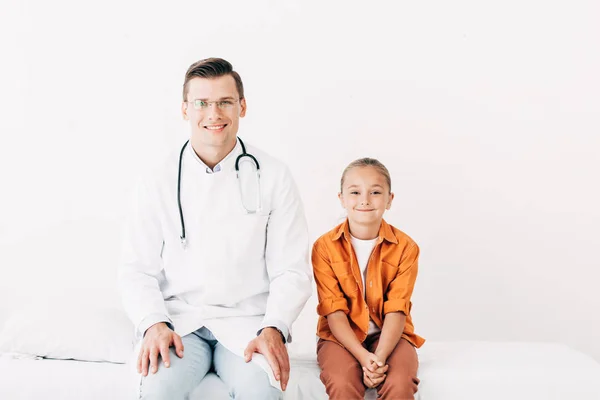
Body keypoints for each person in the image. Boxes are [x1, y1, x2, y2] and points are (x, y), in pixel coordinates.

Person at [118, 57, 312, 399]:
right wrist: (153, 323)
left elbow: (291, 269)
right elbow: (137, 269)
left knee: (263, 393)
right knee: (157, 391)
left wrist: (275, 327)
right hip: (179, 324)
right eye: (202, 103)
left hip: (247, 325)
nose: (214, 114)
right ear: (184, 109)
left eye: (224, 102)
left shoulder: (274, 175)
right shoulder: (156, 180)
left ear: (242, 106)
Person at [311, 158, 426, 400]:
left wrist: (379, 357)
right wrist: (364, 358)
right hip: (340, 338)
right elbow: (334, 312)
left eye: (375, 192)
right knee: (342, 383)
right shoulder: (324, 247)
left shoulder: (406, 247)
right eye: (355, 192)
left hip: (392, 335)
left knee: (399, 382)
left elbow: (397, 309)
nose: (364, 200)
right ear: (341, 198)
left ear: (389, 200)